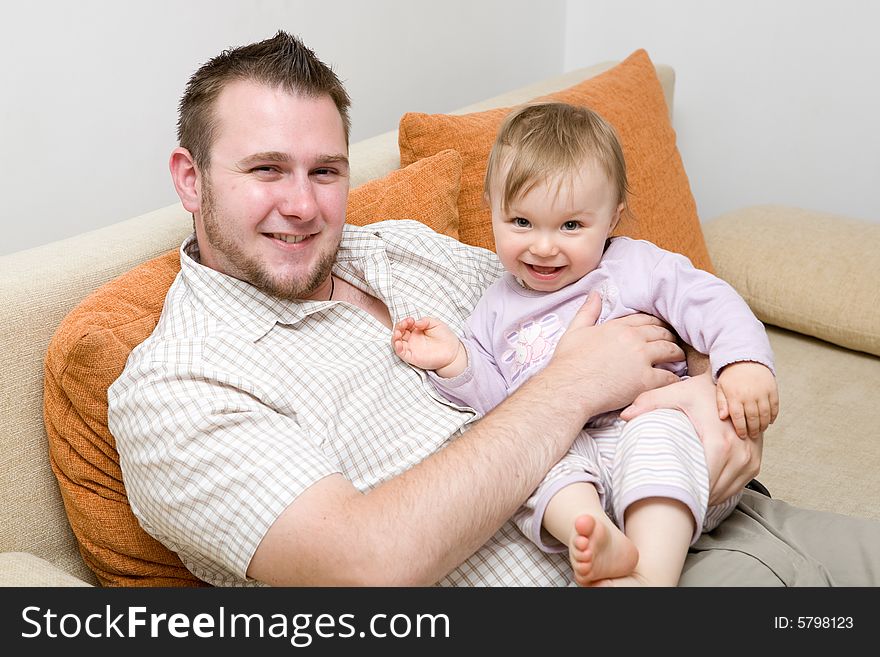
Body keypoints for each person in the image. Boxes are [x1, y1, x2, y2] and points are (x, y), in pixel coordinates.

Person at [108, 30, 880, 587]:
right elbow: (365, 569)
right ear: (190, 178)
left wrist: (713, 396)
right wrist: (580, 383)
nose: (304, 205)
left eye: (327, 170)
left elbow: (584, 294)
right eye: (266, 169)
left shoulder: (398, 247)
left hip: (705, 509)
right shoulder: (178, 387)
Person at [391, 102, 778, 586]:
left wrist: (742, 365)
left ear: (612, 219)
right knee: (527, 466)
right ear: (491, 208)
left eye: (571, 226)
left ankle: (652, 576)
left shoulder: (633, 266)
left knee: (655, 430)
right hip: (578, 458)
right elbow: (500, 404)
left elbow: (713, 302)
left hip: (668, 457)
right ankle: (594, 534)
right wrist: (456, 362)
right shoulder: (493, 307)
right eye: (521, 222)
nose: (544, 246)